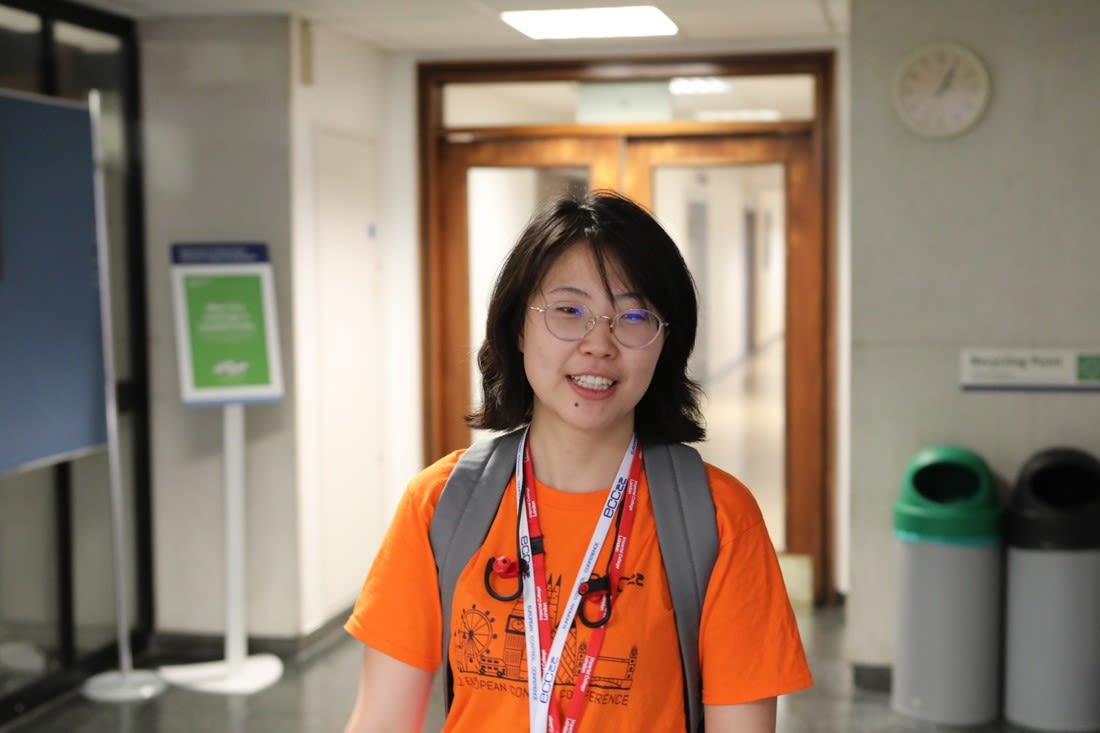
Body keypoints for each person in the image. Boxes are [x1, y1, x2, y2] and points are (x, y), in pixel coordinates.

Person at [343, 189, 812, 732]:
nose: (599, 344)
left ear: (666, 343)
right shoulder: (440, 505)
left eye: (633, 316)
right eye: (570, 311)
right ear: (519, 326)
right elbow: (380, 721)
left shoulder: (717, 519)